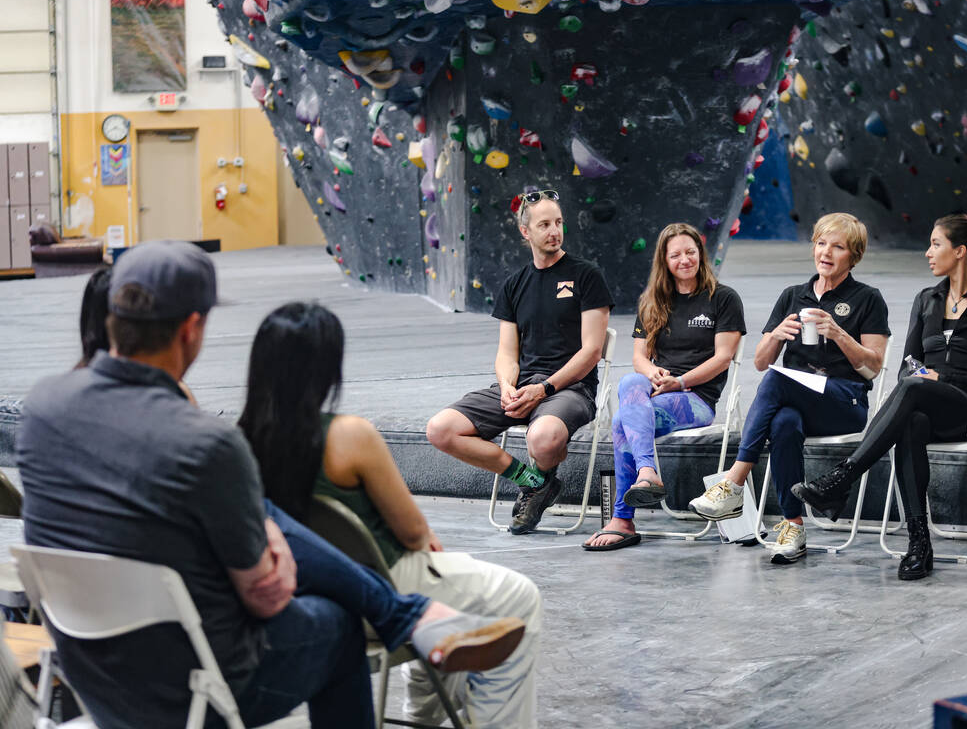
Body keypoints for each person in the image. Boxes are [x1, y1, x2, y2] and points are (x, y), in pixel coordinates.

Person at [17, 241, 524, 729]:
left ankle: (408, 614)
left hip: (91, 674)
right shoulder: (205, 442)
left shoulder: (42, 408)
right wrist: (272, 543)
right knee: (338, 622)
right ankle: (407, 614)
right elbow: (266, 596)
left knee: (255, 510)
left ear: (114, 319)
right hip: (199, 686)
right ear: (191, 328)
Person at [242, 301, 543, 728]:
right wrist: (424, 542)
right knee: (519, 598)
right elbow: (412, 530)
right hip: (383, 585)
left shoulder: (237, 441)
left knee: (456, 586)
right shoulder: (349, 435)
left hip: (305, 595)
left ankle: (424, 716)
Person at [793, 215, 967, 580]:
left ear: (959, 252)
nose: (928, 253)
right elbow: (905, 368)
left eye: (935, 244)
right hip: (925, 406)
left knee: (914, 387)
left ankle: (843, 479)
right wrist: (922, 379)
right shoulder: (926, 300)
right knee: (911, 421)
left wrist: (941, 376)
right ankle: (918, 544)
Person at [688, 213, 890, 564]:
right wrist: (777, 334)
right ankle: (793, 525)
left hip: (845, 401)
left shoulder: (868, 298)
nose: (826, 252)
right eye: (821, 243)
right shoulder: (792, 296)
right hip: (796, 398)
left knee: (779, 381)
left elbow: (873, 367)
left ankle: (734, 482)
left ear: (852, 256)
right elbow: (761, 363)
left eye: (838, 247)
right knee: (783, 423)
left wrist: (839, 333)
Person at [427, 190, 614, 534]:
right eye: (544, 224)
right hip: (524, 383)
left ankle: (539, 478)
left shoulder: (586, 276)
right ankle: (533, 481)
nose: (554, 231)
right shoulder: (515, 285)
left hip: (570, 388)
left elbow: (591, 352)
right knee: (440, 429)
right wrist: (507, 387)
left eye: (558, 222)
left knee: (542, 437)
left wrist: (543, 390)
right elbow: (507, 353)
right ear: (525, 232)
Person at [583, 223, 746, 550]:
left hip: (695, 398)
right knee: (631, 379)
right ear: (664, 260)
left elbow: (724, 358)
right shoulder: (652, 301)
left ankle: (623, 519)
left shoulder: (723, 298)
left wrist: (681, 381)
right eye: (676, 255)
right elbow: (639, 358)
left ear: (701, 254)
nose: (685, 259)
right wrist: (655, 374)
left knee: (620, 422)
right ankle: (646, 472)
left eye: (691, 252)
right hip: (658, 391)